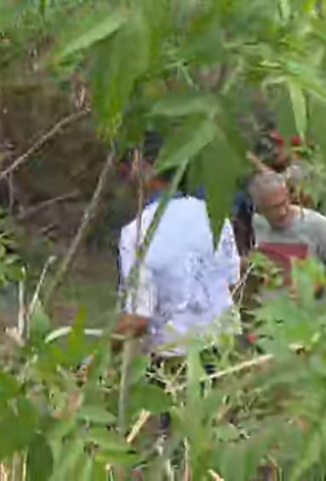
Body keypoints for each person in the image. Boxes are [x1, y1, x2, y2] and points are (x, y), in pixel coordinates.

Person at [115, 131, 241, 424]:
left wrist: (92, 357)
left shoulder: (137, 232)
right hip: (222, 346)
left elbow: (138, 318)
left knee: (176, 442)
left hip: (174, 355)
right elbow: (232, 279)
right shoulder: (214, 215)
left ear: (147, 168)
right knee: (218, 433)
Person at [247, 170, 326, 301]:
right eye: (273, 208)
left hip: (308, 312)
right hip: (271, 311)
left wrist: (321, 284)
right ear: (260, 208)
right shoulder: (257, 223)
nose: (282, 212)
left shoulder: (315, 224)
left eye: (283, 203)